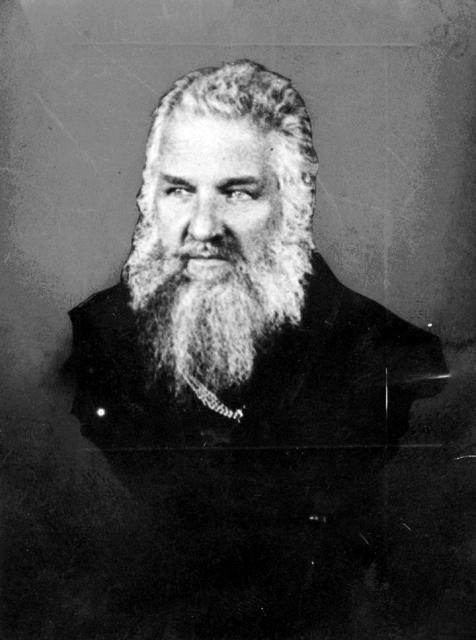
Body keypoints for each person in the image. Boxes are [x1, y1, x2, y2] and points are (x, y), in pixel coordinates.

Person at [68, 60, 448, 639]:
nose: (202, 228)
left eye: (237, 193)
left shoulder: (391, 360)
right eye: (179, 190)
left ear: (294, 205)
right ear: (151, 199)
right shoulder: (94, 339)